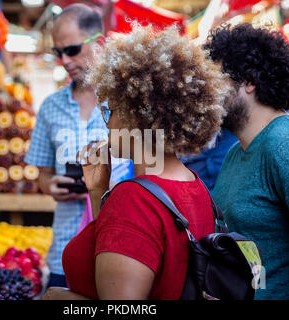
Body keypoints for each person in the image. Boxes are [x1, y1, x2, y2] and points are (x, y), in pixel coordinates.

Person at [42, 25, 231, 300]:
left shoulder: (133, 199)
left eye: (110, 110)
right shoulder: (195, 186)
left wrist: (61, 300)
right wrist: (98, 192)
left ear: (137, 116)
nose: (106, 123)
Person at [205, 23, 289, 300]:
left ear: (249, 82)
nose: (209, 92)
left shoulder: (287, 142)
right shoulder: (236, 152)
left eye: (218, 80)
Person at [25, 4, 132, 288]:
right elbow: (43, 173)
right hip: (64, 247)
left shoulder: (127, 101)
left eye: (71, 50)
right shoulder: (50, 107)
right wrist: (51, 185)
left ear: (97, 42)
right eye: (57, 52)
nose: (64, 60)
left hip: (122, 247)